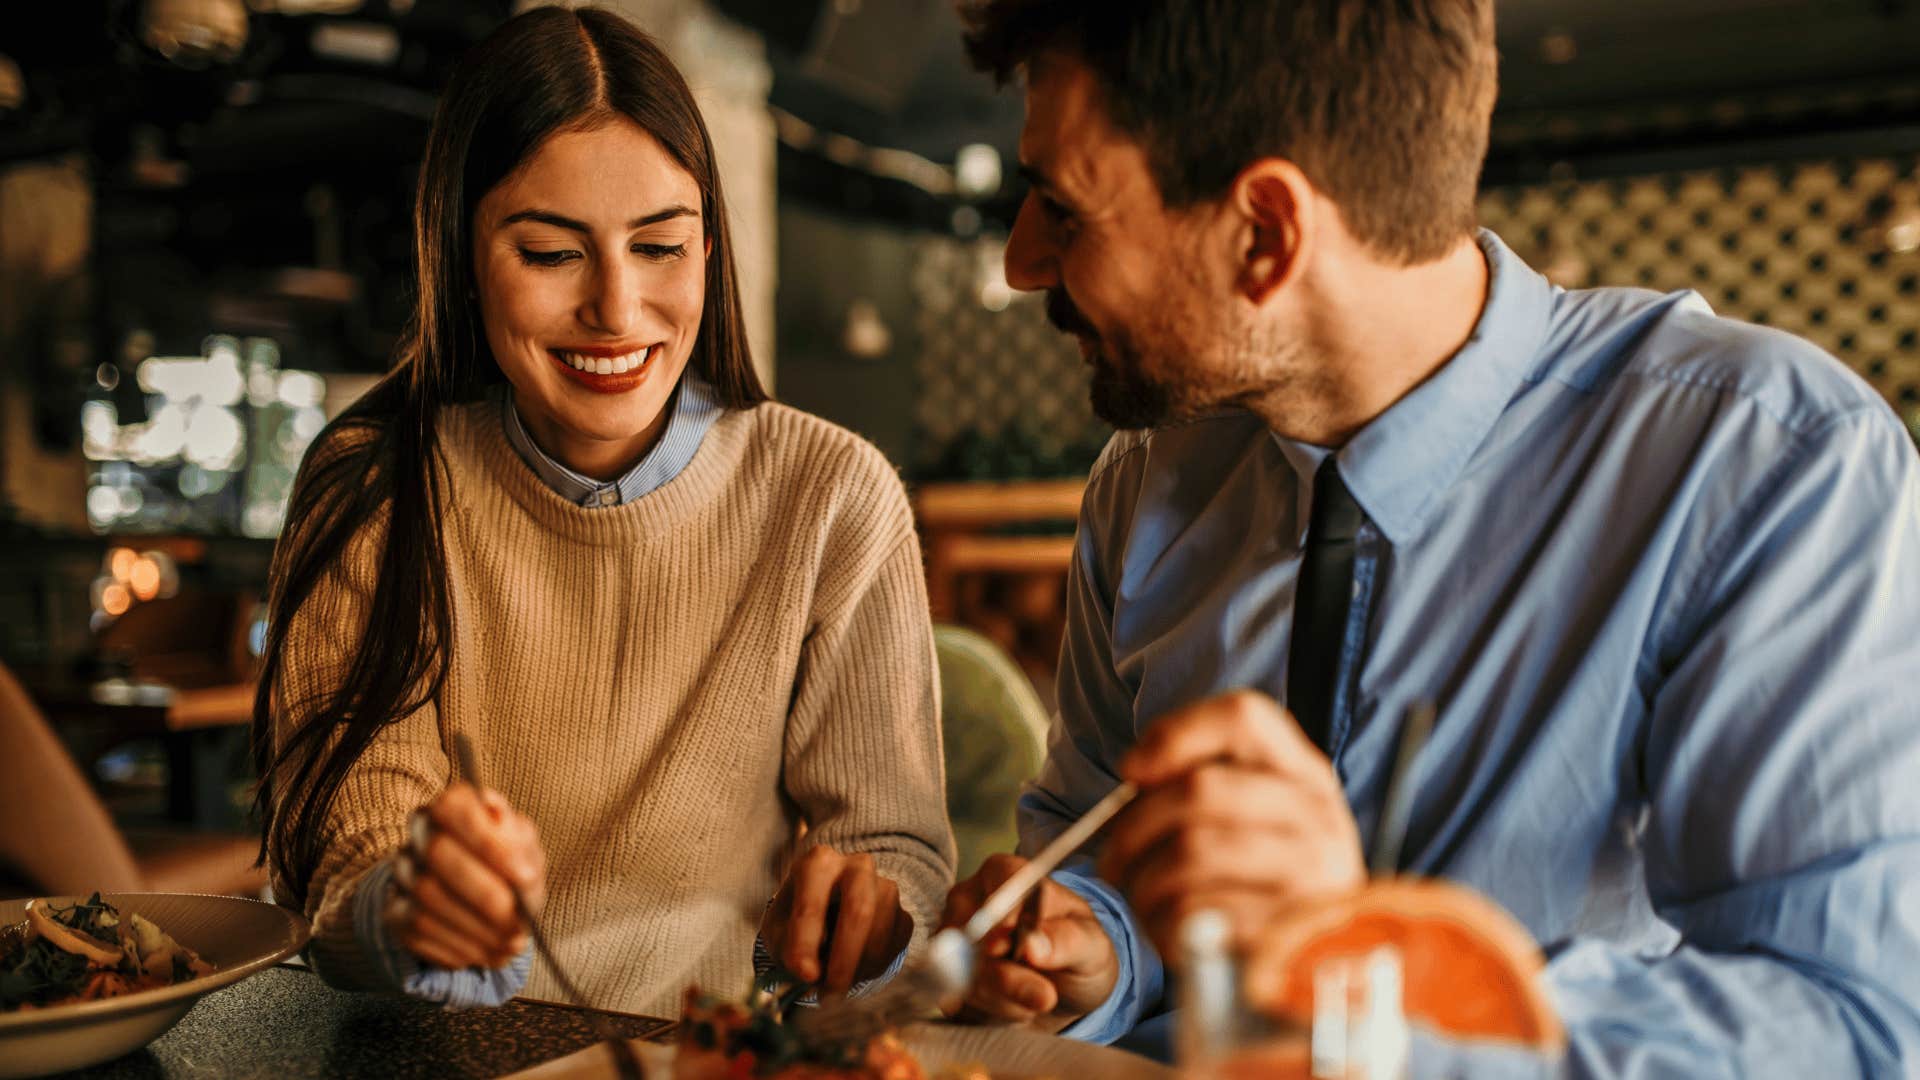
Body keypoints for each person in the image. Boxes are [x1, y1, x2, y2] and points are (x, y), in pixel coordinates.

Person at [938, 1, 1920, 1075]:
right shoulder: (1144, 479)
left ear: (1267, 235)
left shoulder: (1765, 465)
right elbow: (1094, 839)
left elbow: (1855, 1030)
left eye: (1063, 210)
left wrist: (1377, 991)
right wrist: (1100, 947)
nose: (1025, 262)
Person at [251, 6, 954, 1016]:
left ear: (709, 249)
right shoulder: (376, 490)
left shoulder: (831, 497)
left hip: (707, 1050)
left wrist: (868, 916)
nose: (617, 310)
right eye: (550, 255)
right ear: (458, 252)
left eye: (661, 247)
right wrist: (401, 910)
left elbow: (898, 851)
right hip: (441, 1058)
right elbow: (340, 867)